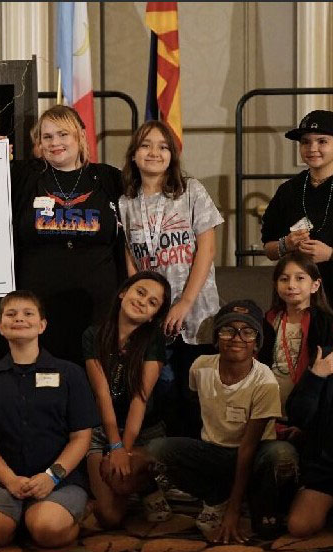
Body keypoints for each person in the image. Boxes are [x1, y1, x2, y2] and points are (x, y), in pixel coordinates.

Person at [147, 300, 299, 543]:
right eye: (228, 330)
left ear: (256, 343)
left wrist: (233, 514)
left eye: (247, 332)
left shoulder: (265, 382)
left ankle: (258, 504)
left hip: (255, 452)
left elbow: (248, 448)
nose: (236, 337)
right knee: (157, 450)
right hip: (214, 450)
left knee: (281, 454)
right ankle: (216, 497)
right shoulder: (200, 367)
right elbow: (196, 405)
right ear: (216, 338)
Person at [0, 291, 98, 548]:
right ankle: (19, 516)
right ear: (0, 326)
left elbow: (81, 437)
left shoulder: (70, 373)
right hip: (4, 480)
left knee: (47, 530)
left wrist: (52, 477)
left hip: (61, 479)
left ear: (42, 325)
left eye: (28, 314)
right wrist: (9, 480)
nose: (20, 319)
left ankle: (59, 516)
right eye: (11, 314)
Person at [118, 120, 224, 438]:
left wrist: (185, 303)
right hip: (153, 314)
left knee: (197, 393)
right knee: (162, 391)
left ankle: (197, 461)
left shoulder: (190, 190)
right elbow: (129, 258)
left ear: (172, 155)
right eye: (146, 145)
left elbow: (207, 247)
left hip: (197, 311)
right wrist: (141, 307)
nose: (154, 152)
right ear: (134, 154)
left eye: (163, 146)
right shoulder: (125, 202)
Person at [11, 105, 126, 367]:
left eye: (63, 134)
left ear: (80, 136)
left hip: (98, 310)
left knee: (95, 384)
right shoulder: (24, 176)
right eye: (47, 137)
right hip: (38, 313)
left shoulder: (109, 178)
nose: (55, 143)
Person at [83, 272, 173, 528]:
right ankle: (125, 488)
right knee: (110, 517)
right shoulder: (93, 334)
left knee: (123, 478)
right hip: (102, 431)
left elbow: (140, 399)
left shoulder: (153, 340)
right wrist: (114, 446)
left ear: (153, 315)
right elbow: (102, 395)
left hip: (143, 431)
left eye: (153, 302)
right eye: (140, 292)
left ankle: (146, 486)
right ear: (123, 292)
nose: (143, 301)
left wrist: (125, 448)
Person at [261, 110, 333, 305]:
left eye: (322, 141)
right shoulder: (289, 190)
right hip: (297, 299)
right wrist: (287, 244)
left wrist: (331, 254)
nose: (312, 148)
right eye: (305, 142)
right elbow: (269, 248)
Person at [259, 252, 333, 416]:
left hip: (310, 409)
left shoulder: (326, 323)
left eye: (300, 278)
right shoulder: (269, 320)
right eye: (284, 279)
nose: (291, 285)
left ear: (315, 285)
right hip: (269, 408)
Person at [285, 344, 333, 538]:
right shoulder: (327, 356)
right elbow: (297, 415)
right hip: (327, 467)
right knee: (299, 526)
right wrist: (316, 376)